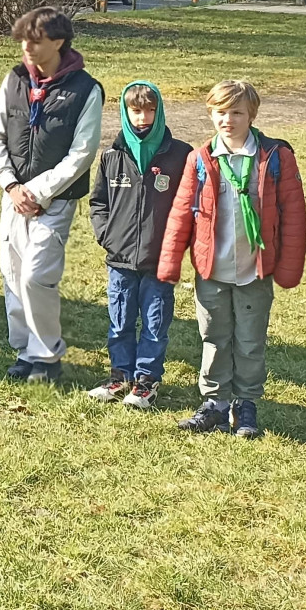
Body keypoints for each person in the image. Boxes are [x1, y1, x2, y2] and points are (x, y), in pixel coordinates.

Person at [157, 80, 306, 438]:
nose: (228, 120)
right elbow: (181, 213)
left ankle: (246, 404)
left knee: (250, 341)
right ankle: (215, 403)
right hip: (212, 269)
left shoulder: (275, 158)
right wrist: (170, 261)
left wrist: (288, 266)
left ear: (251, 115)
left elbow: (294, 215)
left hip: (255, 270)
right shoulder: (200, 159)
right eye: (221, 112)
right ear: (211, 114)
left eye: (237, 112)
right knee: (214, 337)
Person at [0, 7, 102, 382]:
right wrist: (11, 185)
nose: (27, 47)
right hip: (13, 197)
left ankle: (47, 355)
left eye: (35, 41)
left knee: (37, 276)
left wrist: (37, 191)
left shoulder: (86, 89)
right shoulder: (14, 80)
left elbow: (82, 153)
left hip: (55, 201)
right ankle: (25, 350)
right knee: (13, 273)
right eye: (22, 40)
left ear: (59, 42)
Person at [85, 82, 190, 408]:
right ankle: (120, 376)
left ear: (159, 112)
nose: (143, 117)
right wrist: (107, 236)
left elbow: (190, 206)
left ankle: (146, 382)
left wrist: (176, 245)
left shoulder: (180, 156)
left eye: (150, 110)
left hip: (160, 261)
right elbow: (98, 202)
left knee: (155, 324)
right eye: (136, 111)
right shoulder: (112, 155)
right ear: (125, 112)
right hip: (120, 259)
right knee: (120, 322)